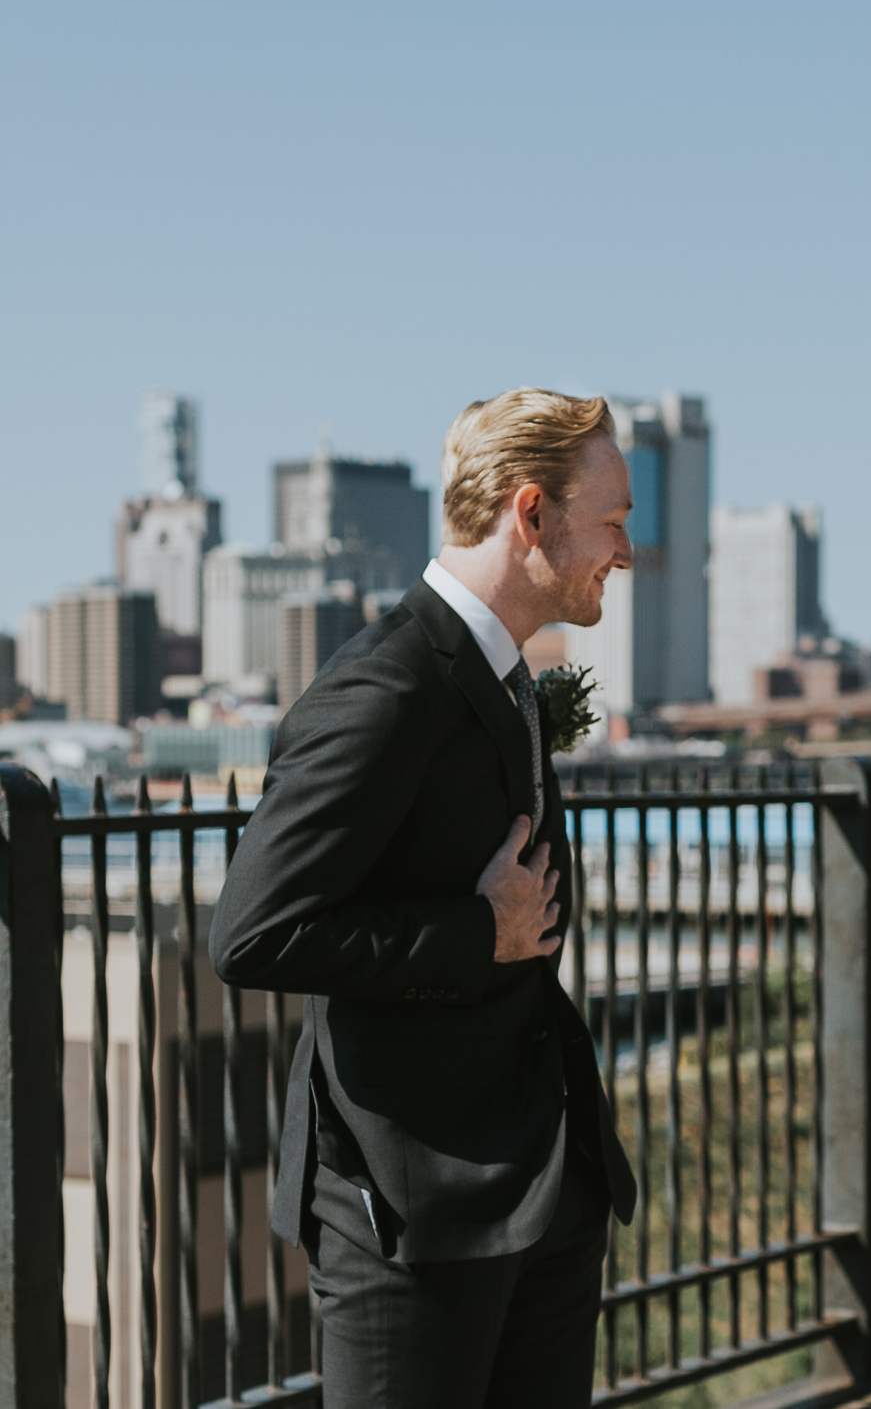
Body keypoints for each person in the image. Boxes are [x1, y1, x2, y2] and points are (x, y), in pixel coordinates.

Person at [211, 389, 640, 1408]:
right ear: (530, 513)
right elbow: (255, 930)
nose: (625, 553)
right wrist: (473, 934)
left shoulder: (502, 677)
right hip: (409, 1209)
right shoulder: (387, 685)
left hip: (540, 1186)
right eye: (614, 520)